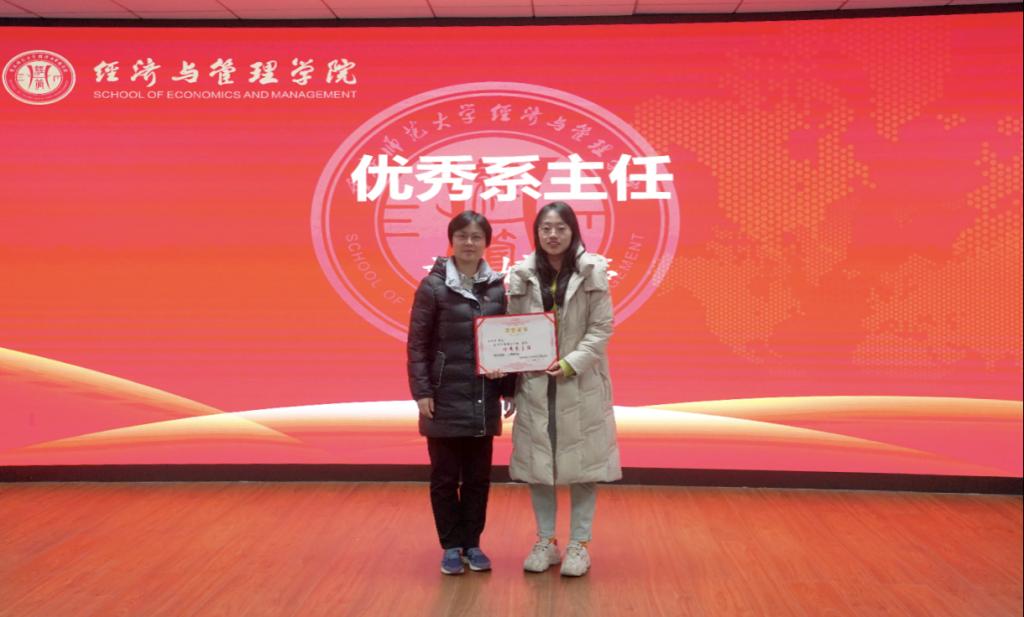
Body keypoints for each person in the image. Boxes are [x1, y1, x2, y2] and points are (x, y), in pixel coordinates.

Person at [506, 201, 621, 577]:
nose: (553, 235)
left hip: (580, 382)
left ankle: (579, 545)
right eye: (545, 228)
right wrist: (507, 370)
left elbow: (601, 328)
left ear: (573, 231)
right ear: (536, 233)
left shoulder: (592, 272)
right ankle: (546, 541)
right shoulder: (521, 275)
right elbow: (511, 329)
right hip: (536, 383)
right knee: (540, 466)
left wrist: (572, 362)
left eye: (560, 228)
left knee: (584, 467)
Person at [407, 210, 512, 576]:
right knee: (445, 478)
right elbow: (417, 345)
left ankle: (472, 543)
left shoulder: (497, 287)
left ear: (487, 243)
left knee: (478, 479)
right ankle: (451, 545)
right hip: (442, 396)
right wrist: (422, 391)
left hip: (483, 397)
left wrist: (508, 384)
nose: (469, 242)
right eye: (463, 236)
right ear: (451, 241)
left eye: (477, 237)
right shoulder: (432, 287)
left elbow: (507, 341)